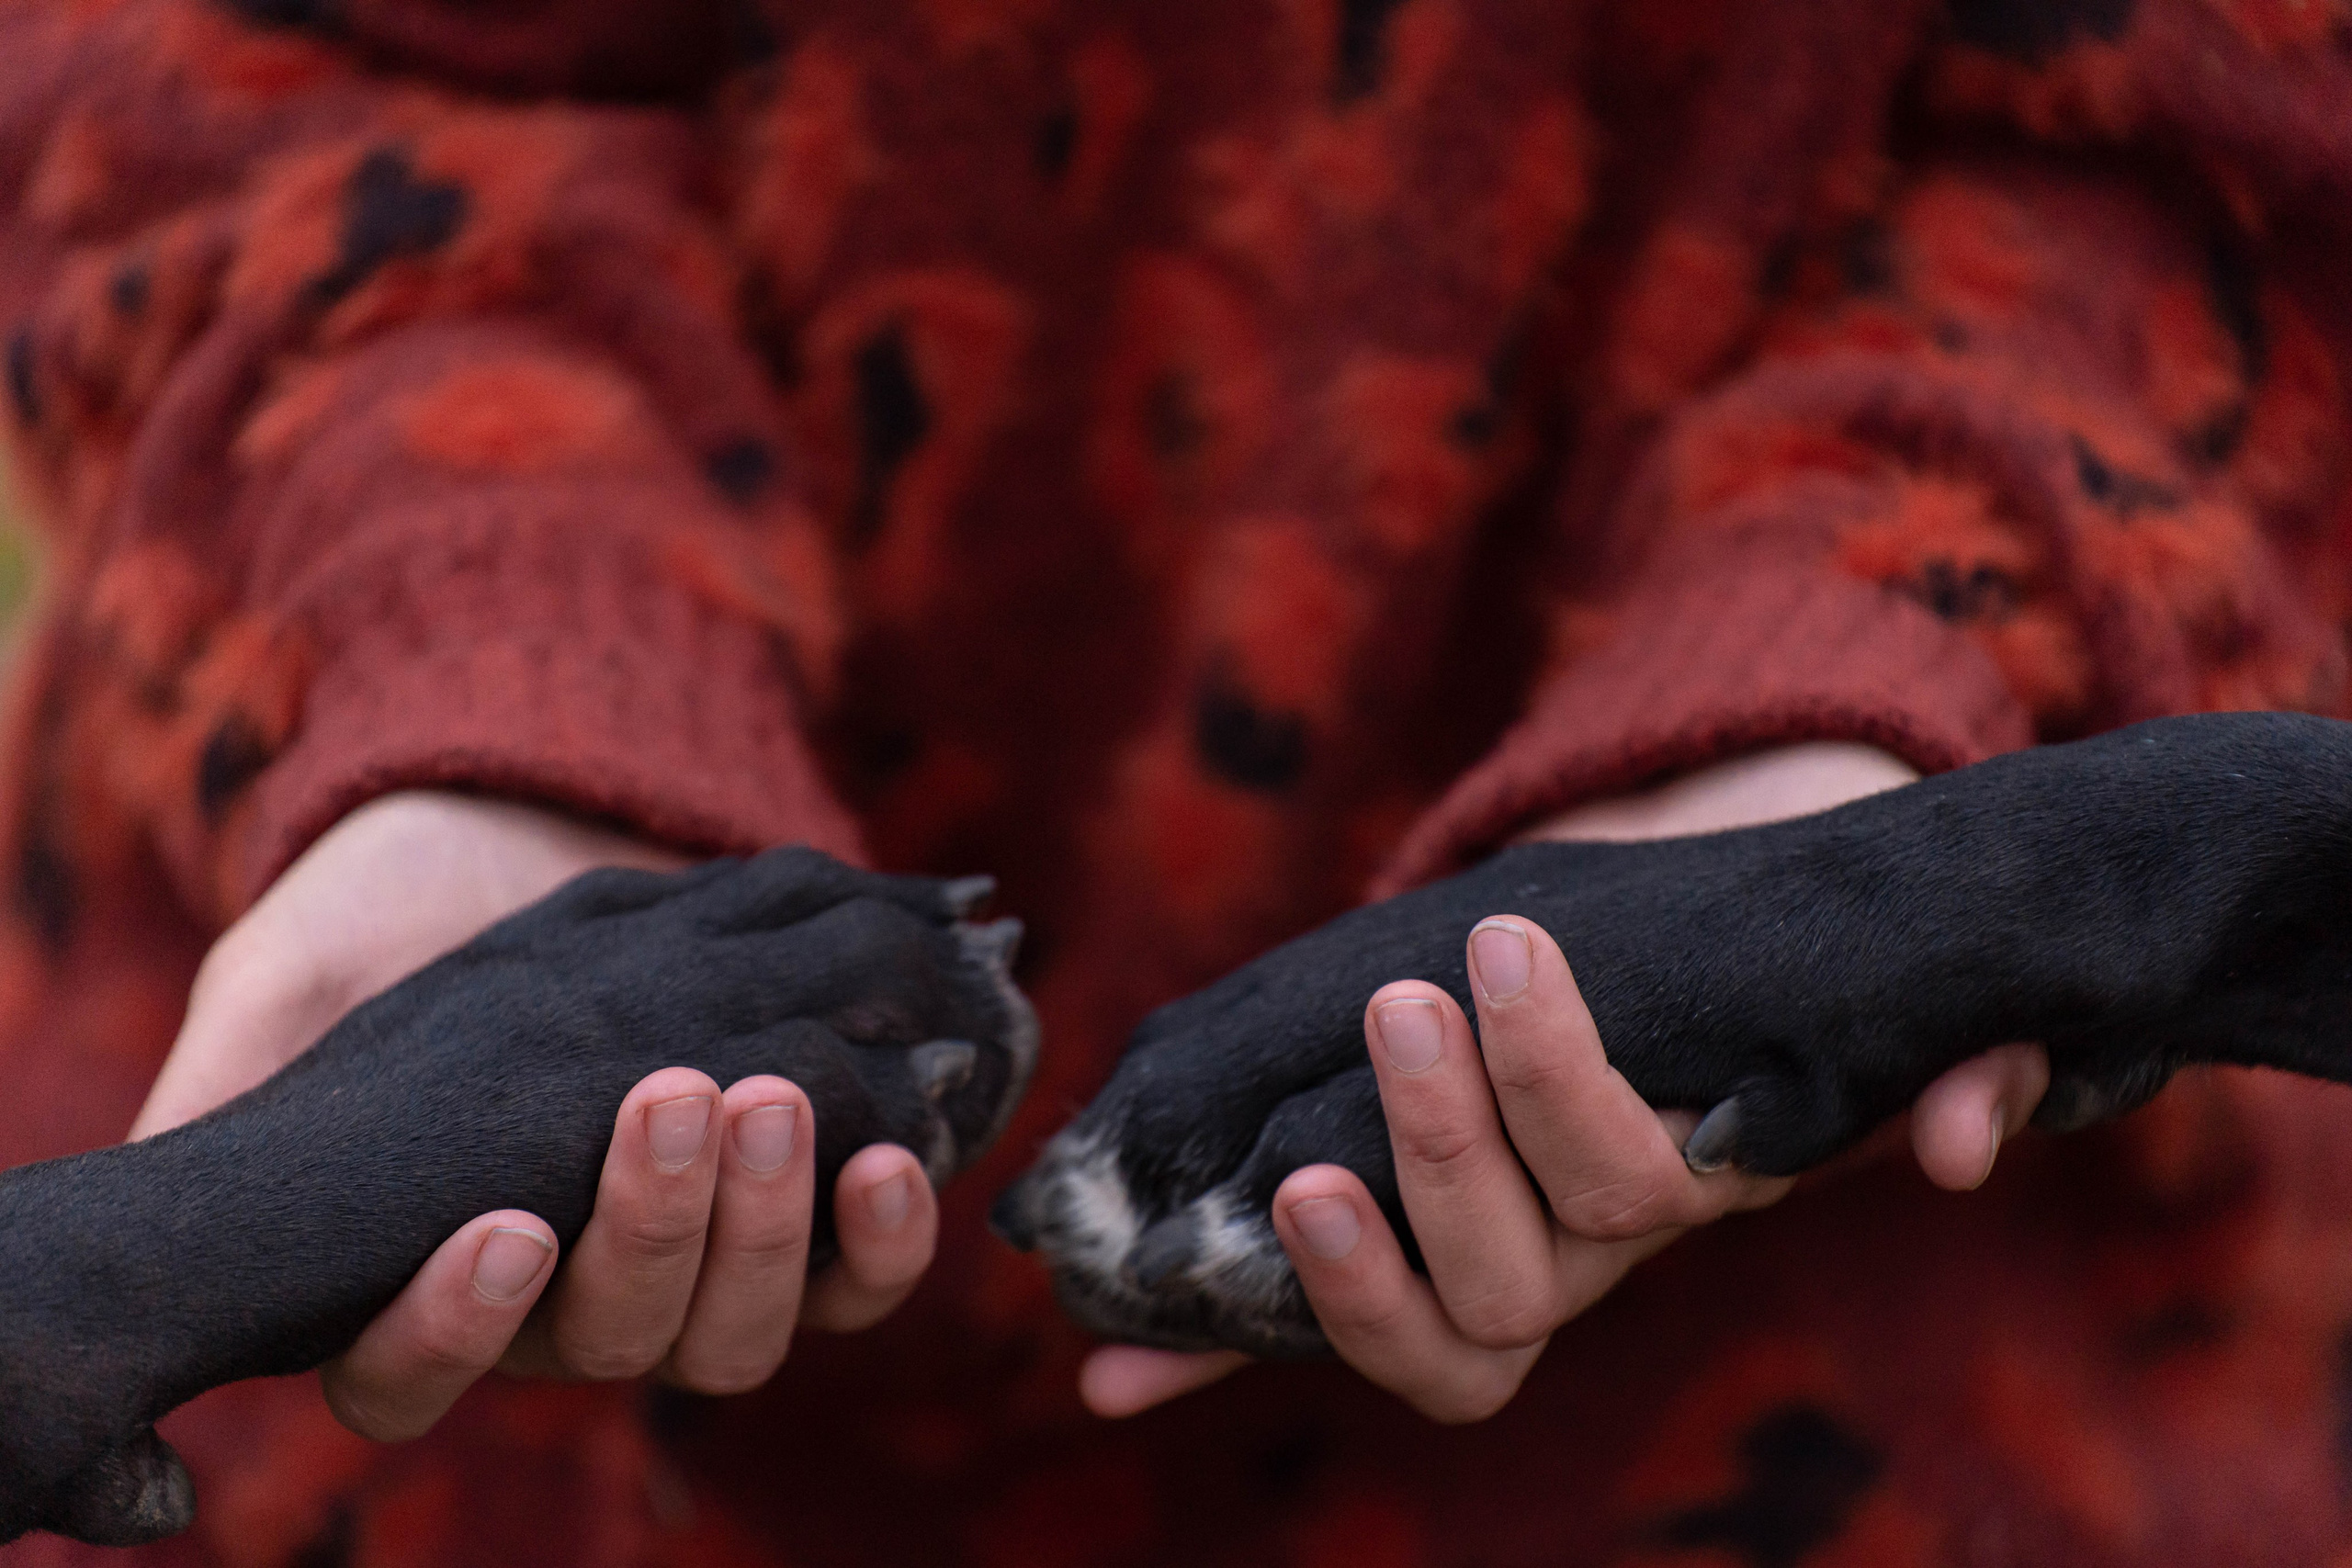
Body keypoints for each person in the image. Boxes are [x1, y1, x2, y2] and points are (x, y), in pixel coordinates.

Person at [2, 1, 2347, 1562]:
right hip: (455, 1380)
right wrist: (496, 663)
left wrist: (1846, 703)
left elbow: (2206, 143)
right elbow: (242, 60)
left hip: (1831, 1390)